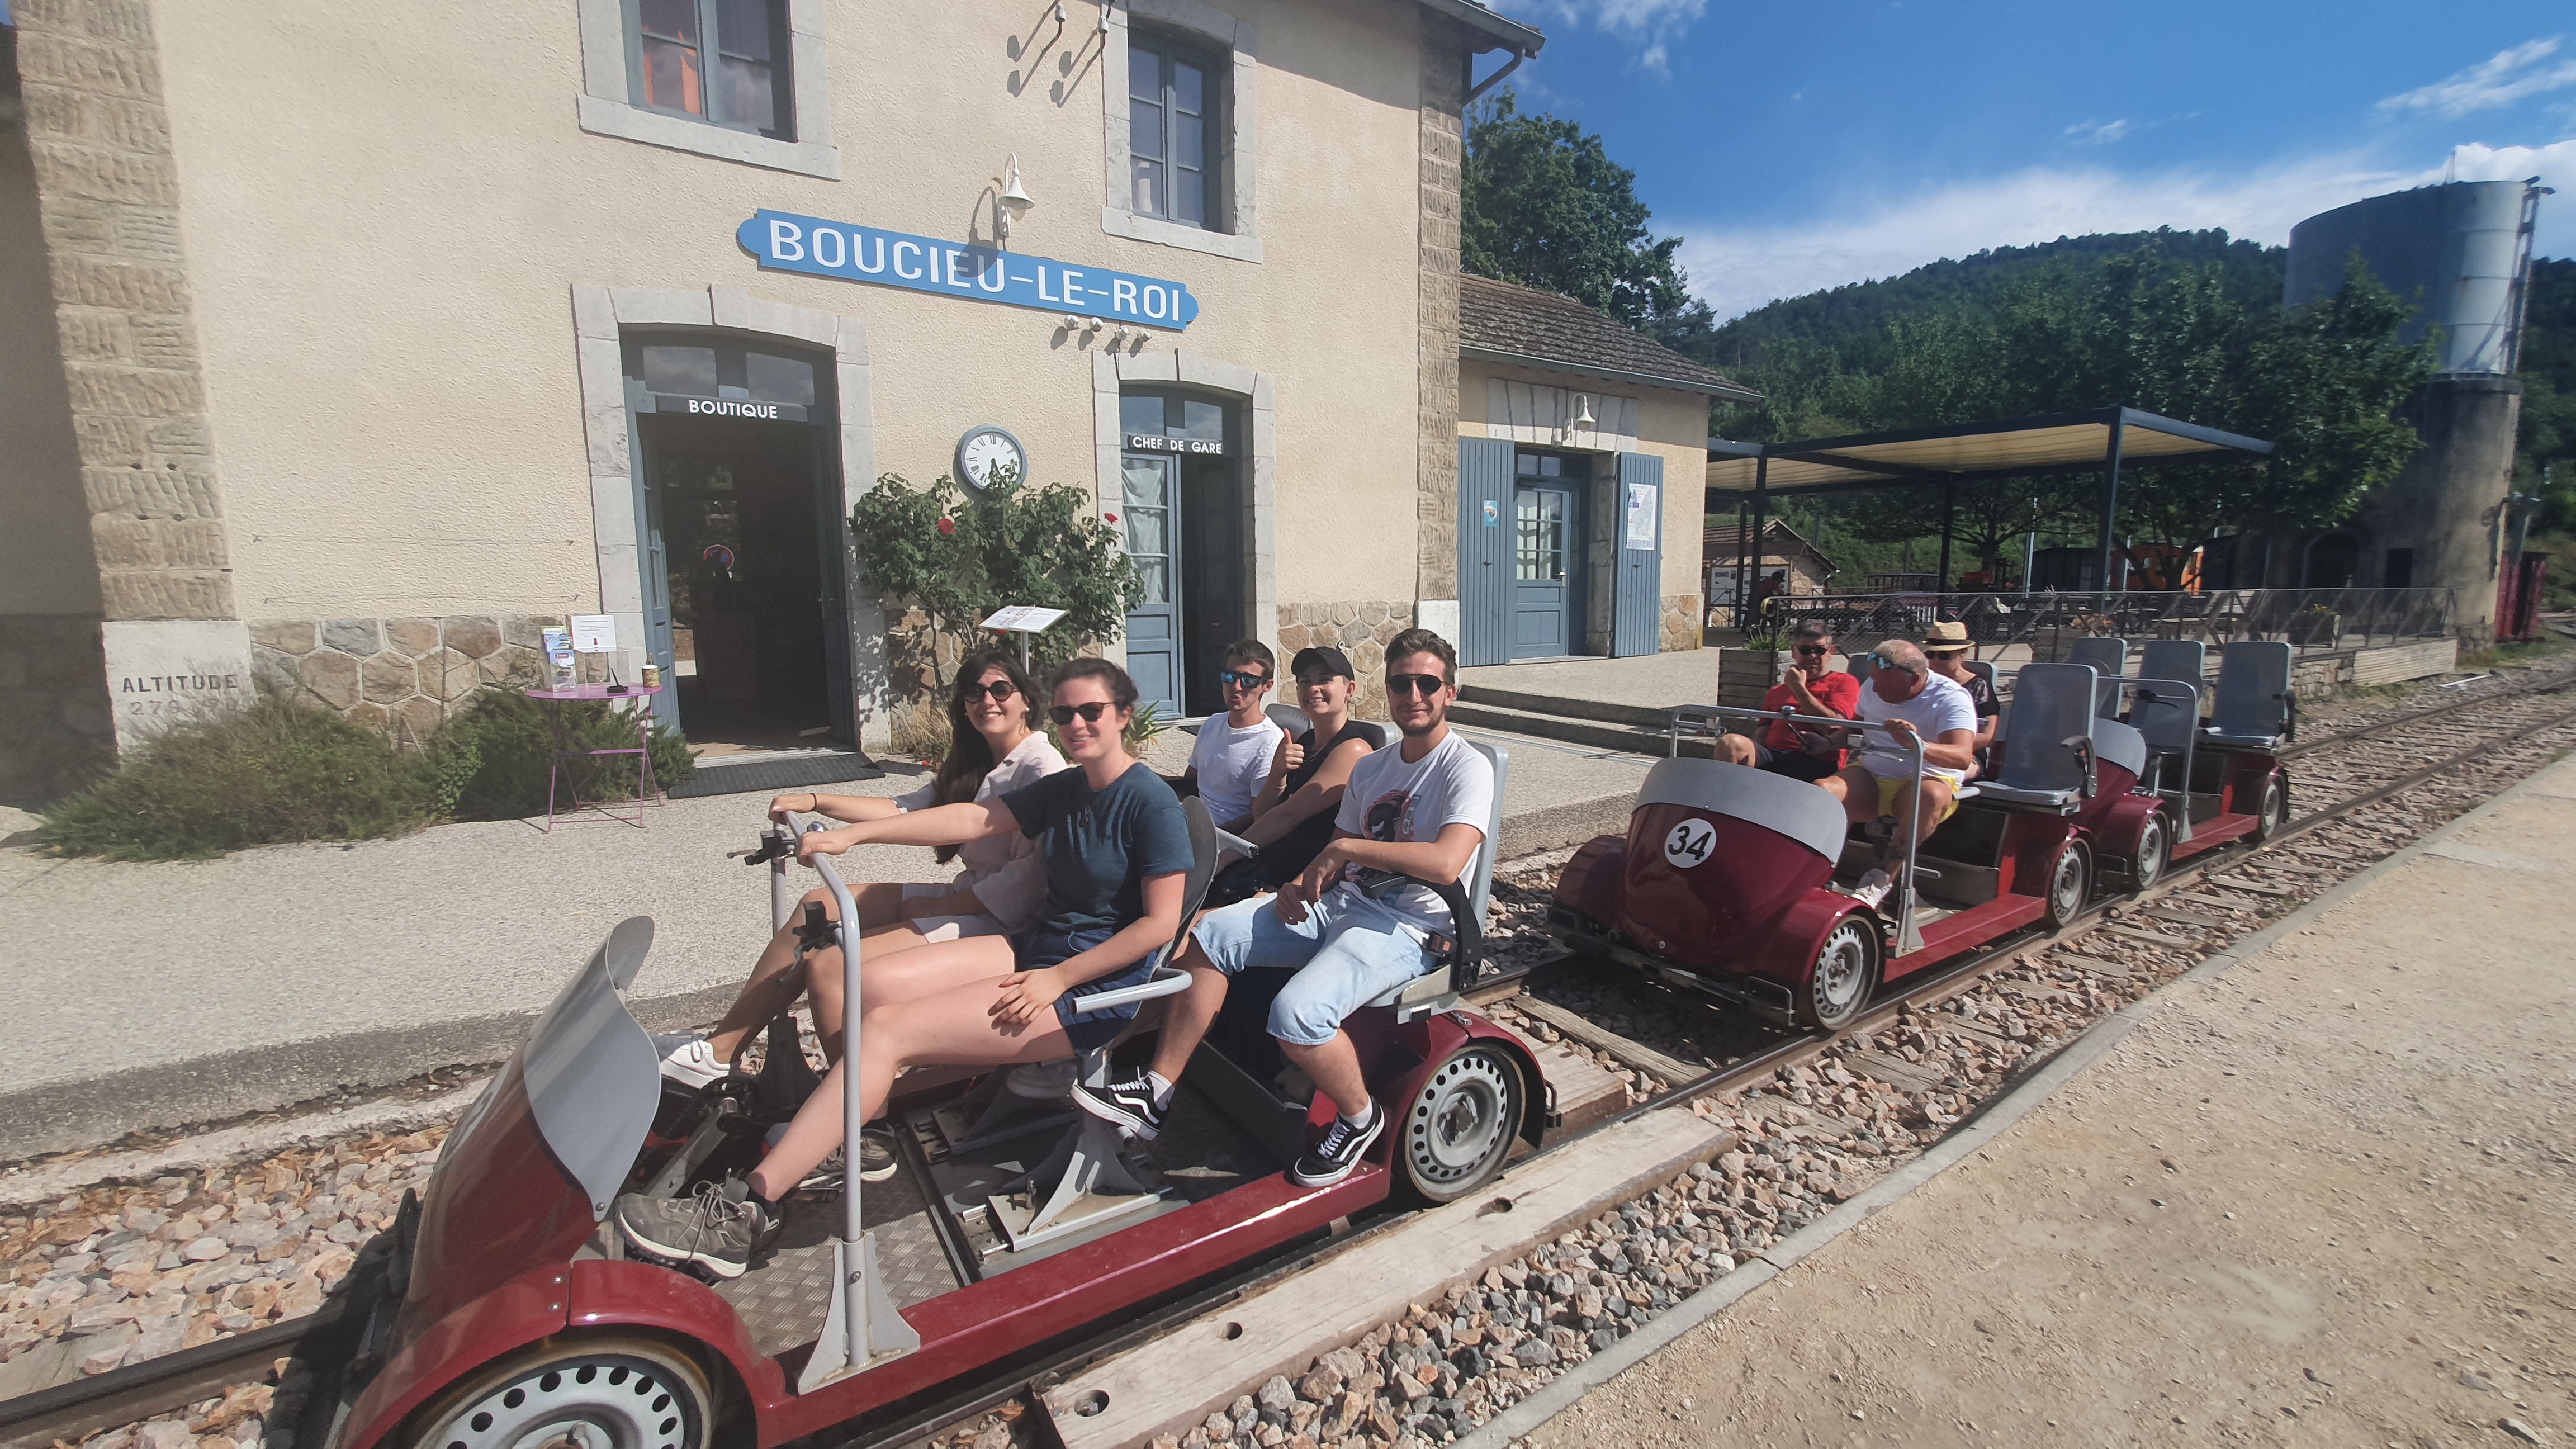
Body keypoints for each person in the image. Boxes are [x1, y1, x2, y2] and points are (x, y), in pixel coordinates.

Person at [607, 660, 1191, 1278]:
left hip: (1087, 988)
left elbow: (1159, 925)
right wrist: (854, 837)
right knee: (865, 982)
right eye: (1067, 713)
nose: (1077, 724)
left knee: (887, 1031)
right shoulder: (1070, 786)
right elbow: (972, 819)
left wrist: (1061, 978)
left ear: (1123, 715)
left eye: (1092, 712)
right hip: (1037, 950)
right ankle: (853, 1128)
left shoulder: (1150, 803)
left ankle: (747, 1212)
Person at [1073, 629, 1492, 1189]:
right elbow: (1334, 849)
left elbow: (1445, 863)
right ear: (1388, 690)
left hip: (1409, 927)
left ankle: (1360, 1118)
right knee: (1207, 937)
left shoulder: (1465, 767)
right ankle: (1157, 1092)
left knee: (1295, 1017)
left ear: (1450, 693)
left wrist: (1345, 852)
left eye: (1427, 684)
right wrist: (1298, 884)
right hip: (1342, 902)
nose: (1413, 695)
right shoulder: (1374, 769)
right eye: (1401, 683)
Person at [653, 653, 1065, 1091]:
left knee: (831, 967)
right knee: (818, 905)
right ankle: (720, 1052)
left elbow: (1027, 882)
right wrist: (816, 801)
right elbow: (904, 809)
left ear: (1027, 700)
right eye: (974, 692)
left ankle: (859, 1111)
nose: (987, 701)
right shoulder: (978, 761)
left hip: (1000, 916)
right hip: (972, 894)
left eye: (1000, 690)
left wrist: (934, 902)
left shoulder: (1040, 765)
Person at [1207, 646, 1386, 903]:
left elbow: (1291, 814)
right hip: (1265, 866)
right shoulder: (1304, 742)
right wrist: (1277, 773)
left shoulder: (1353, 750)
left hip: (1300, 880)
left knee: (1196, 919)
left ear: (1350, 690)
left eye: (1325, 680)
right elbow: (1262, 814)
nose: (1313, 689)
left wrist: (1224, 856)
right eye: (1305, 682)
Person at [1819, 640, 1978, 911]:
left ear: (1914, 679)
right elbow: (1856, 727)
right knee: (1823, 791)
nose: (1875, 689)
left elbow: (1962, 757)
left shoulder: (1952, 697)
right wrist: (1828, 743)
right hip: (1873, 773)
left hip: (1926, 778)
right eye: (1873, 681)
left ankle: (1880, 880)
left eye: (1884, 685)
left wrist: (1917, 744)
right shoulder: (1874, 685)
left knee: (1928, 796)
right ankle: (1816, 870)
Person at [1711, 623, 1858, 783]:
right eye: (1805, 650)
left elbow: (1834, 728)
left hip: (1816, 760)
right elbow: (1762, 733)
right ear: (1794, 652)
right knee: (1729, 744)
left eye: (1819, 650)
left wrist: (1798, 689)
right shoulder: (1776, 692)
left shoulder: (1843, 682)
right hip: (1774, 756)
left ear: (1831, 652)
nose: (1813, 656)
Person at [1171, 641, 1284, 833]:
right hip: (1192, 825)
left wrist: (1210, 836)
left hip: (1227, 837)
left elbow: (1258, 815)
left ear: (1267, 685)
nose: (1236, 687)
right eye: (1230, 677)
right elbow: (1191, 783)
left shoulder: (1270, 742)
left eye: (1248, 680)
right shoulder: (1213, 724)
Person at [1919, 621, 1997, 778]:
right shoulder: (1921, 681)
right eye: (1930, 655)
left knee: (1934, 777)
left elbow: (1988, 736)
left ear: (1963, 654)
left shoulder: (1979, 686)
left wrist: (1948, 748)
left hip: (1968, 756)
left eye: (1944, 655)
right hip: (1922, 751)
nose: (1936, 661)